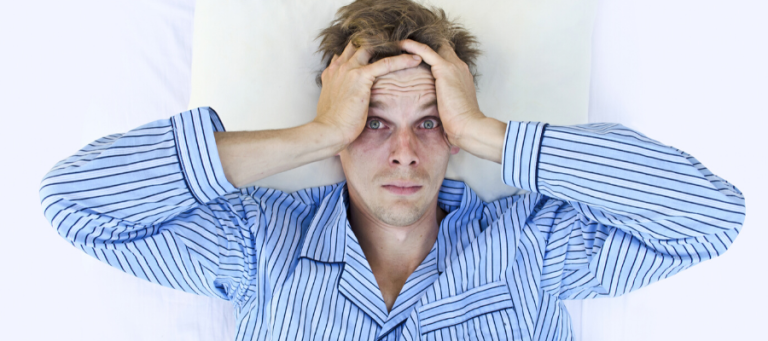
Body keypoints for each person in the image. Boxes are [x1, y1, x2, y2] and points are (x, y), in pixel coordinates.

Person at [38, 0, 745, 340]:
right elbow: (78, 202)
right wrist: (312, 134)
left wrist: (488, 133)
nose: (405, 152)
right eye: (373, 123)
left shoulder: (535, 243)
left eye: (430, 122)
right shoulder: (257, 243)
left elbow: (707, 217)